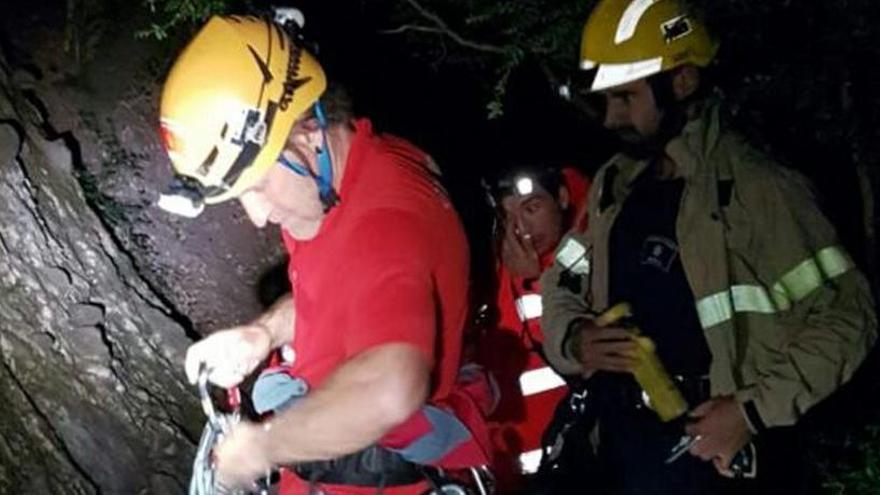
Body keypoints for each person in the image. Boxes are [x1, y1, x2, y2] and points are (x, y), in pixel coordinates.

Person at [541, 1, 878, 494]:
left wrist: (751, 412)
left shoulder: (758, 188)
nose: (612, 118)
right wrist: (574, 339)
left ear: (681, 83)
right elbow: (563, 279)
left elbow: (850, 316)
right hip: (625, 450)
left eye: (626, 98)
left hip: (716, 458)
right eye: (605, 101)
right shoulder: (614, 188)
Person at [157, 15, 491, 495]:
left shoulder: (384, 221)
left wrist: (263, 447)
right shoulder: (343, 178)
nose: (256, 215)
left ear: (308, 135)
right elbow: (341, 290)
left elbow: (390, 387)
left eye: (256, 187)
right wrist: (263, 332)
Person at [476, 165, 589, 492]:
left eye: (532, 208)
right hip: (514, 478)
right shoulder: (489, 274)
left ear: (563, 198)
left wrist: (535, 282)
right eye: (506, 213)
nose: (519, 228)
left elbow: (579, 359)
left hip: (583, 468)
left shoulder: (593, 257)